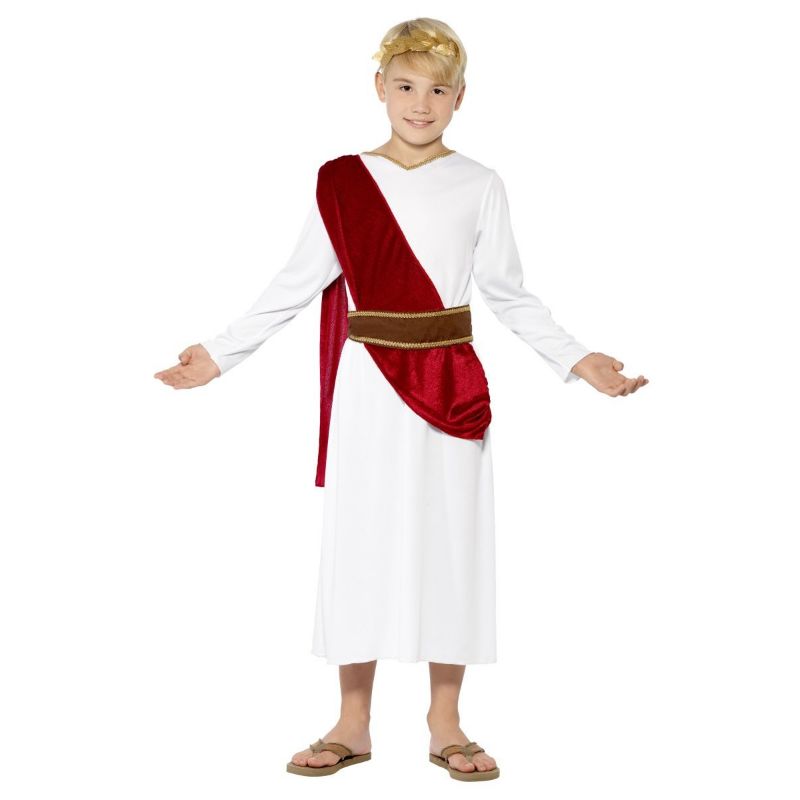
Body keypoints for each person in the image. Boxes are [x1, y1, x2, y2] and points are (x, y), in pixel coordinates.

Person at [154, 17, 648, 782]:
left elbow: (509, 293)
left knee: (454, 542)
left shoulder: (479, 184)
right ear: (379, 89)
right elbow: (297, 281)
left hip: (450, 381)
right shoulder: (342, 180)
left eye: (439, 91)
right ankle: (352, 721)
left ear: (461, 98)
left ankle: (445, 719)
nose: (422, 104)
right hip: (370, 388)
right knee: (361, 539)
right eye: (407, 86)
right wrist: (219, 355)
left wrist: (577, 359)